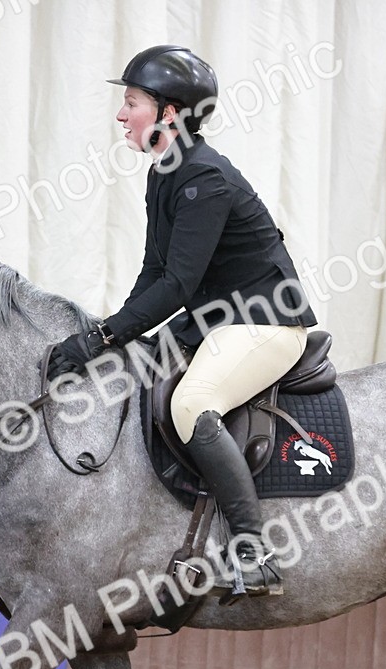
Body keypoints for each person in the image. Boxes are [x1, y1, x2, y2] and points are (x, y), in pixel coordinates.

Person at [47, 44, 318, 599]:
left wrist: (100, 337)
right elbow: (154, 272)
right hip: (213, 323)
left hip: (263, 324)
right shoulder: (164, 174)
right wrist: (119, 336)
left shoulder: (204, 178)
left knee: (191, 405)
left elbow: (177, 287)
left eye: (131, 102)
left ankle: (252, 547)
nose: (121, 115)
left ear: (168, 113)